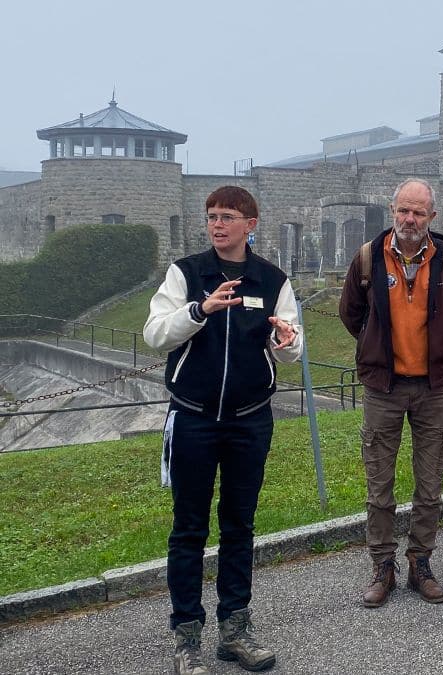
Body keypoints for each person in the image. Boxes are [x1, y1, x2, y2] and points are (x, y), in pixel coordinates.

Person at [144, 185, 302, 675]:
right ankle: (186, 635)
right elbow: (154, 334)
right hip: (192, 417)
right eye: (212, 216)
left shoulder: (272, 279)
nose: (218, 224)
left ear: (251, 223)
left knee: (240, 525)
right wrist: (200, 310)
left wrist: (286, 341)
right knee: (189, 528)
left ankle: (234, 630)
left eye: (228, 216)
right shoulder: (186, 273)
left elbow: (291, 349)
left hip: (250, 420)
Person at [338, 178, 443, 609]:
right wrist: (377, 346)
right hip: (383, 389)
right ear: (393, 211)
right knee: (380, 486)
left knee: (430, 486)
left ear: (432, 216)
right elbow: (351, 314)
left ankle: (420, 563)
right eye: (403, 211)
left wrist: (435, 354)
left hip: (432, 389)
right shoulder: (367, 258)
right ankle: (382, 566)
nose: (410, 219)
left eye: (419, 212)